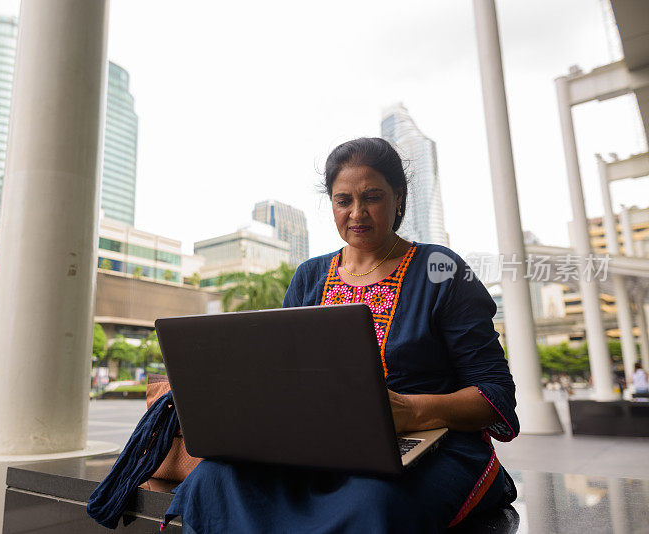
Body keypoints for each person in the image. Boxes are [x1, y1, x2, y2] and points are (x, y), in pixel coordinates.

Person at [163, 138, 519, 533]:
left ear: (398, 197)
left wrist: (411, 412)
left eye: (372, 197)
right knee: (215, 480)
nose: (357, 213)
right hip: (320, 445)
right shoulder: (310, 277)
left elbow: (495, 394)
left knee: (371, 502)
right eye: (343, 200)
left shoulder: (442, 270)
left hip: (432, 442)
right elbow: (284, 378)